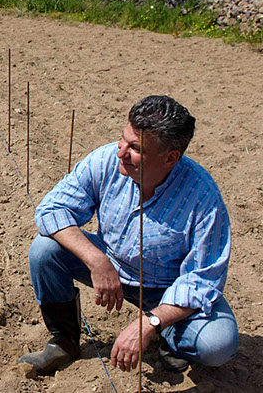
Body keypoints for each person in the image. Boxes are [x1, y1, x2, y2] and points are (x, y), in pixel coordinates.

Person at [19, 95, 238, 375]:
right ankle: (64, 341)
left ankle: (169, 337)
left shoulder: (203, 198)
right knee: (45, 250)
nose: (121, 152)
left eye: (135, 148)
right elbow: (52, 210)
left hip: (167, 288)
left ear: (170, 158)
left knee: (217, 344)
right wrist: (97, 261)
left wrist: (151, 322)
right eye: (123, 140)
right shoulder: (105, 160)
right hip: (112, 262)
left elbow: (203, 280)